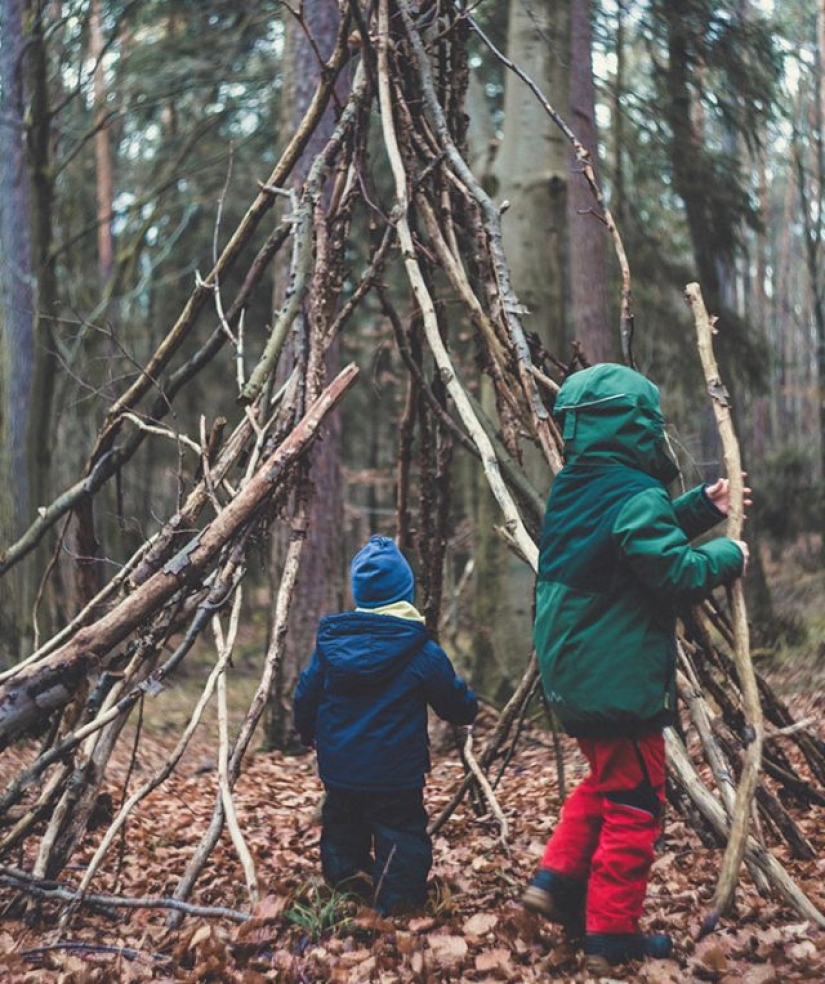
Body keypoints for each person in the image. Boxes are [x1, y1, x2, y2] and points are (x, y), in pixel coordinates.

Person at [521, 363, 750, 975]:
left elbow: (634, 535)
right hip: (615, 679)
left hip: (574, 675)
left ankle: (558, 878)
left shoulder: (576, 487)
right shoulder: (633, 494)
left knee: (607, 781)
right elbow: (672, 572)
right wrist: (729, 553)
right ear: (637, 425)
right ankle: (611, 933)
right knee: (637, 804)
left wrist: (702, 506)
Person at [293, 535, 478, 914]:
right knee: (401, 837)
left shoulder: (332, 647)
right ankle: (396, 908)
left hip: (340, 768)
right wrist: (467, 709)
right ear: (405, 592)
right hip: (396, 774)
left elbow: (305, 695)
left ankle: (347, 895)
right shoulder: (420, 650)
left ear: (360, 593)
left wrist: (307, 732)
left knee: (343, 831)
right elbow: (454, 702)